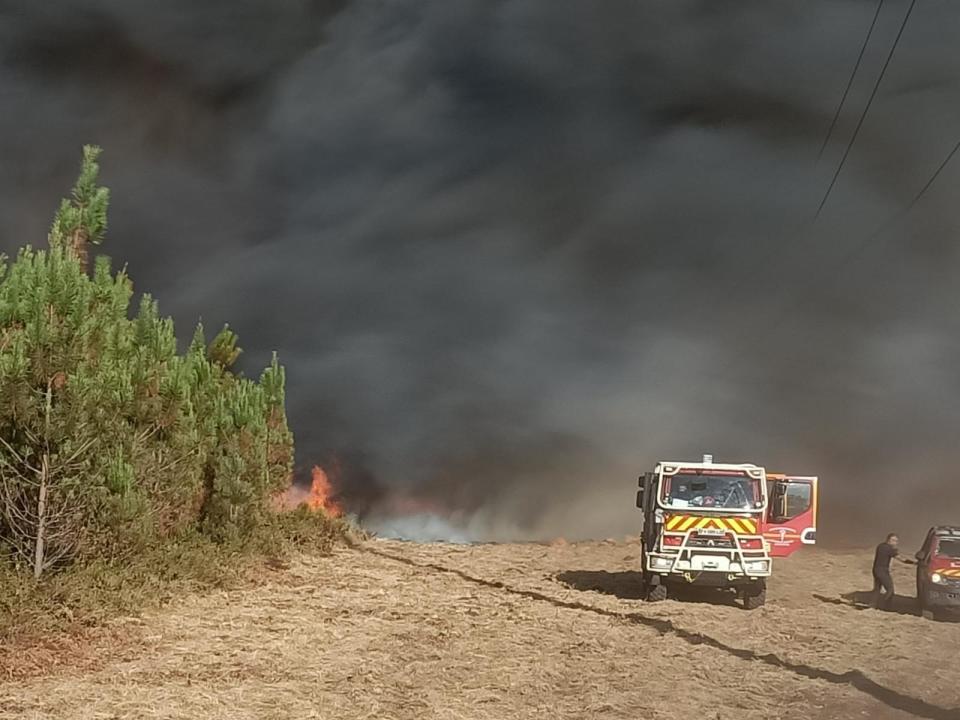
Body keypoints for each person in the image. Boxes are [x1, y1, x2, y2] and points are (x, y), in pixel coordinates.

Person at [872, 533, 913, 610]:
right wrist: (914, 563)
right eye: (893, 540)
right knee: (890, 590)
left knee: (877, 589)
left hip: (875, 569)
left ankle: (872, 605)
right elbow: (901, 559)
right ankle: (886, 607)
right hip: (883, 571)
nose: (895, 543)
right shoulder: (889, 549)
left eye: (896, 541)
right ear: (888, 540)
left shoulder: (880, 546)